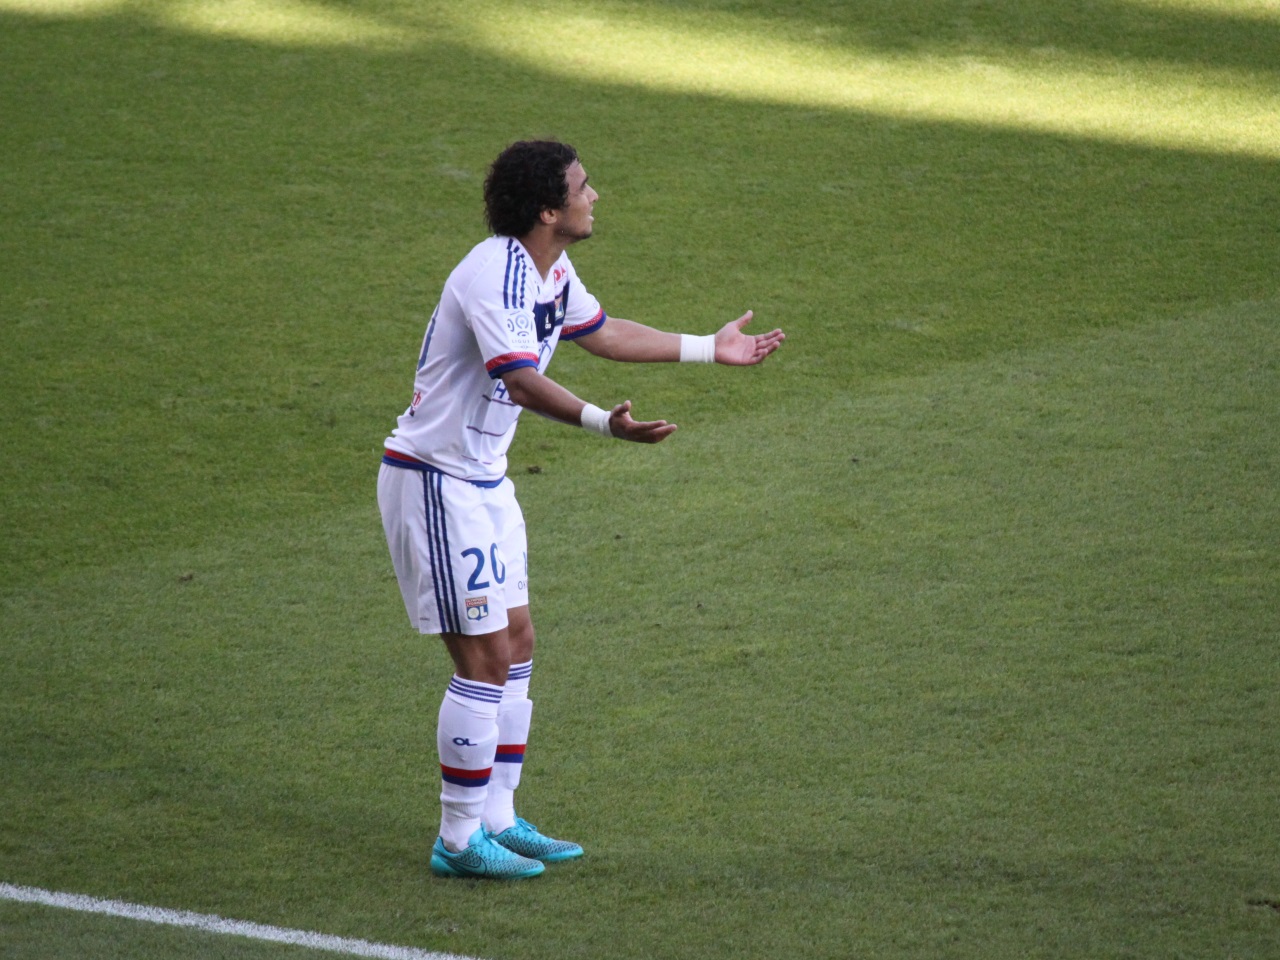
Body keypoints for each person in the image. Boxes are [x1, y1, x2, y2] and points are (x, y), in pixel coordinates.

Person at [377, 140, 784, 880]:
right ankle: (459, 839)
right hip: (435, 481)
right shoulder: (491, 275)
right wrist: (606, 424)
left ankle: (498, 814)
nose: (595, 196)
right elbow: (521, 379)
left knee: (520, 642)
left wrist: (706, 348)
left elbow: (600, 332)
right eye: (583, 187)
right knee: (484, 656)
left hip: (485, 479)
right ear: (547, 210)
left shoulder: (548, 268)